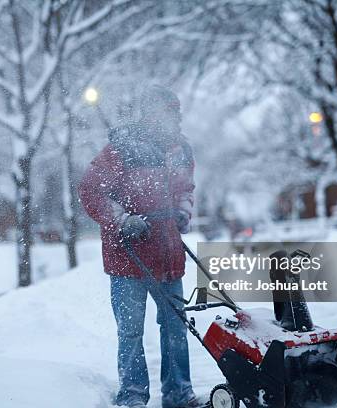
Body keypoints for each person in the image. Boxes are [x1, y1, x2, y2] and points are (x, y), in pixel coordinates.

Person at [78, 85, 203, 408]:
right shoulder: (121, 148)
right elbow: (91, 191)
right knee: (131, 332)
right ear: (148, 114)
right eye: (166, 111)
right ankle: (133, 395)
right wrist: (122, 220)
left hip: (168, 254)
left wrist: (183, 212)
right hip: (128, 256)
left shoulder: (181, 150)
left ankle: (179, 393)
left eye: (175, 112)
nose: (173, 118)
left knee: (176, 327)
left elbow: (186, 189)